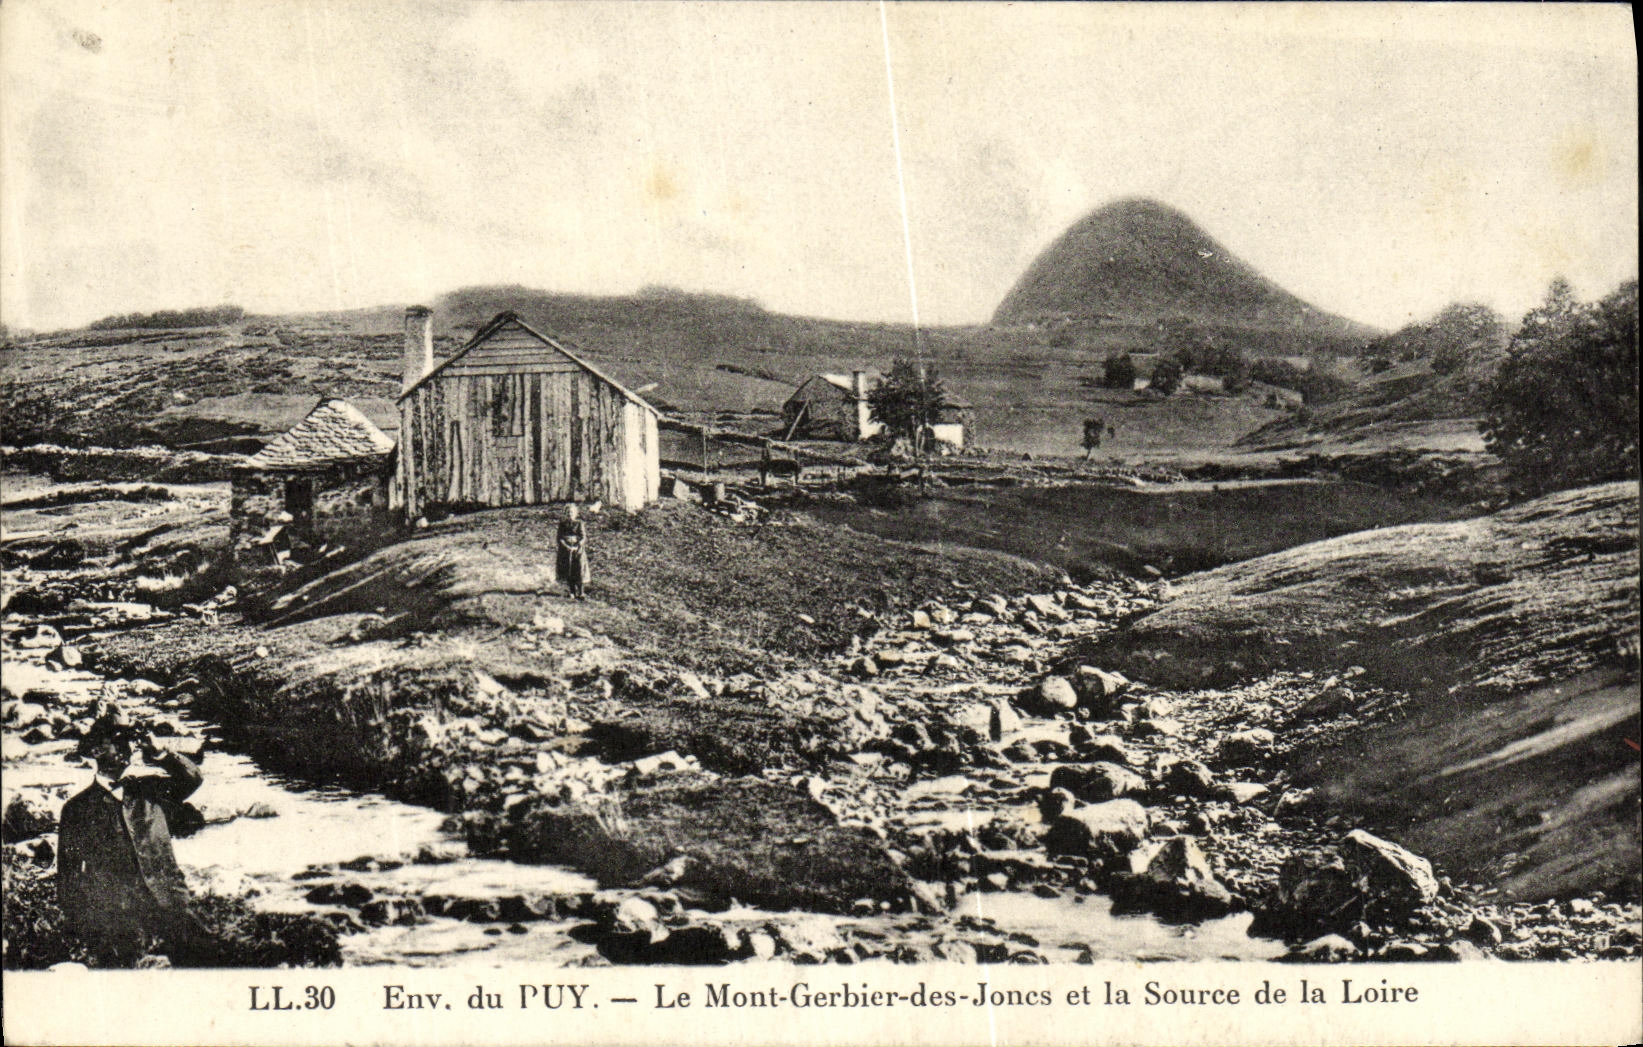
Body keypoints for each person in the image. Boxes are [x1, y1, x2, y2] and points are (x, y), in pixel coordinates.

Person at [57, 711, 209, 965]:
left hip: (171, 906)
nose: (126, 749)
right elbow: (68, 878)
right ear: (96, 751)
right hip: (119, 924)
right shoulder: (77, 809)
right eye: (118, 743)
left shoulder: (150, 789)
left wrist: (161, 754)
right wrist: (88, 927)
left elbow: (193, 778)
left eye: (128, 743)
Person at [555, 503, 589, 600]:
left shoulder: (579, 523)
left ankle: (581, 592)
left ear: (575, 513)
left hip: (578, 550)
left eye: (572, 512)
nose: (570, 514)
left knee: (579, 569)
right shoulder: (562, 524)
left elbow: (583, 537)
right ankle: (572, 591)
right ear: (565, 514)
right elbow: (560, 537)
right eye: (568, 512)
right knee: (569, 570)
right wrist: (566, 546)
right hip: (566, 550)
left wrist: (577, 545)